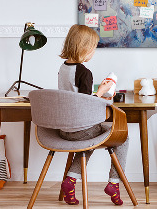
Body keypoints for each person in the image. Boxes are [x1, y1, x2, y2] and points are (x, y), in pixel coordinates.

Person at [58, 24, 128, 206]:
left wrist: (97, 92)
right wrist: (102, 92)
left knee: (89, 140)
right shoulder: (84, 72)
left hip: (64, 129)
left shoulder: (63, 68)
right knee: (123, 137)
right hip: (81, 129)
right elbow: (85, 104)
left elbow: (75, 97)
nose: (94, 52)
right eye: (94, 48)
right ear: (85, 48)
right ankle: (114, 183)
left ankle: (70, 181)